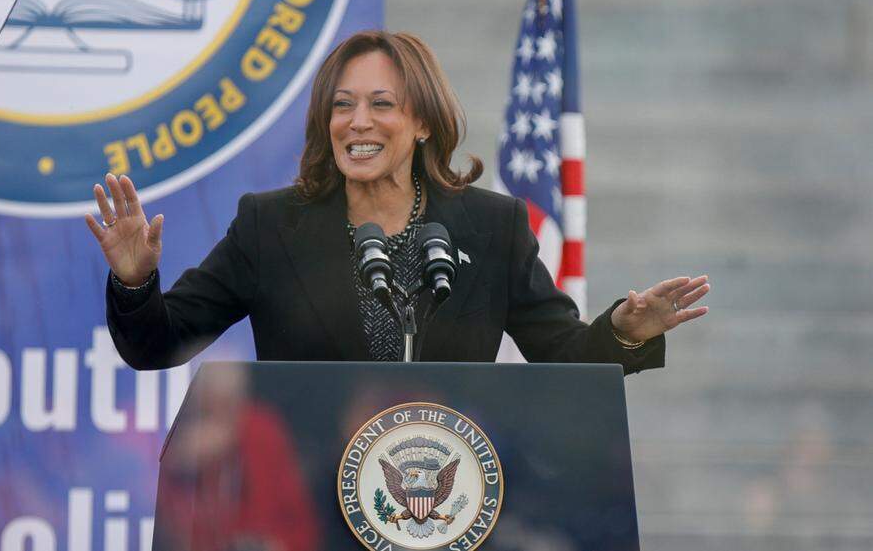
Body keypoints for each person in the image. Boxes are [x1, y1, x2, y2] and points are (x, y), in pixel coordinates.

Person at [85, 30, 709, 371]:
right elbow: (157, 346)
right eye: (342, 105)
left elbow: (564, 356)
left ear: (424, 123)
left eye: (381, 104)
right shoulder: (269, 226)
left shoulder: (494, 227)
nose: (358, 121)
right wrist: (137, 283)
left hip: (449, 509)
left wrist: (624, 333)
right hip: (313, 516)